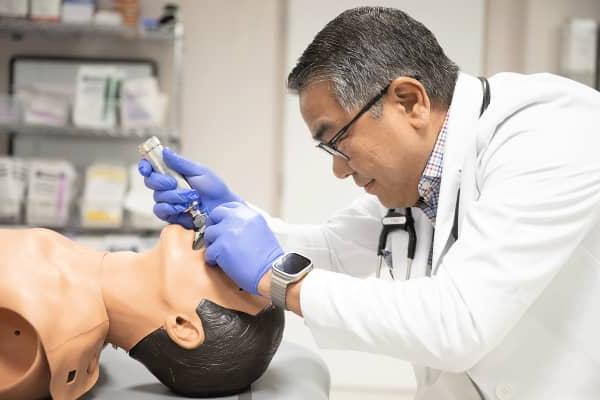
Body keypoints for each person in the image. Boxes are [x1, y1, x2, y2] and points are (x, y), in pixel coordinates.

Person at [139, 6, 600, 399]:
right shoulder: (423, 179)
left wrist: (280, 283)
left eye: (336, 140)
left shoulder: (552, 133)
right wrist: (230, 216)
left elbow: (460, 323)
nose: (339, 169)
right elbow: (339, 249)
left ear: (408, 100)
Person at [0, 225, 283, 400]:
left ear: (183, 325)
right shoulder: (74, 285)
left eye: (235, 282)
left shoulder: (35, 340)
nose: (227, 256)